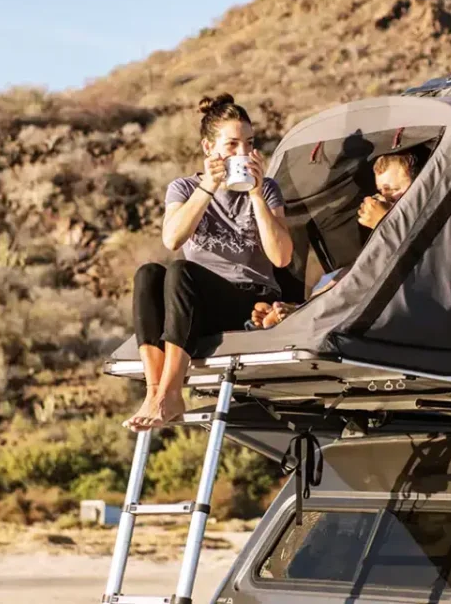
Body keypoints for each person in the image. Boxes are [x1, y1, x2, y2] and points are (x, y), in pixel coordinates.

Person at [124, 93, 293, 431]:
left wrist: (256, 193)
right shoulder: (184, 188)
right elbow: (172, 239)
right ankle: (155, 389)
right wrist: (209, 185)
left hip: (249, 299)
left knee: (180, 271)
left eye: (249, 144)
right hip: (197, 303)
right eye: (232, 145)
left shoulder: (268, 189)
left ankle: (172, 391)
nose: (242, 153)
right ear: (208, 148)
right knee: (148, 274)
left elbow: (282, 257)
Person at [250, 150, 420, 330]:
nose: (384, 198)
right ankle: (303, 310)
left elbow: (418, 258)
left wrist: (384, 222)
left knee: (357, 274)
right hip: (369, 282)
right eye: (380, 190)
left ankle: (302, 314)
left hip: (407, 292)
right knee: (342, 274)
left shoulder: (432, 215)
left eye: (393, 190)